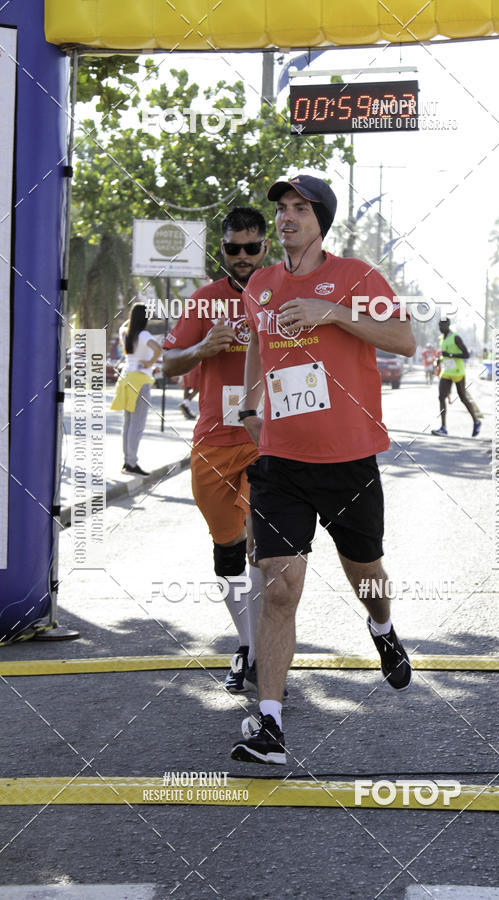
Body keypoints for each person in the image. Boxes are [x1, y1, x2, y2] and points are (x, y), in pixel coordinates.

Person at [229, 174, 416, 766]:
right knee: (279, 589)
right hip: (280, 461)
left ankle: (382, 630)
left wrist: (330, 311)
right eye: (281, 209)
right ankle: (270, 725)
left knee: (367, 575)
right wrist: (250, 403)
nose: (287, 217)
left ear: (321, 220)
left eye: (299, 209)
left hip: (347, 461)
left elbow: (405, 337)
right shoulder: (260, 282)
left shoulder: (358, 276)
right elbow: (259, 342)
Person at [162, 207, 269, 692]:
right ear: (222, 249)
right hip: (213, 441)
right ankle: (247, 645)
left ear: (264, 246)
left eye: (251, 247)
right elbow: (165, 366)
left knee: (265, 549)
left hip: (268, 441)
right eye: (233, 249)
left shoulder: (281, 294)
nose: (242, 257)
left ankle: (266, 654)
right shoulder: (203, 302)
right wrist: (202, 349)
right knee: (227, 551)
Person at [111, 303, 161, 475]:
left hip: (125, 378)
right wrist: (149, 363)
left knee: (128, 423)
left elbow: (125, 325)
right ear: (145, 318)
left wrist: (131, 319)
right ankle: (131, 463)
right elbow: (158, 349)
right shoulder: (144, 334)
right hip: (140, 380)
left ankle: (127, 462)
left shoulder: (125, 332)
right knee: (137, 424)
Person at [431, 318, 481, 437]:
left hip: (458, 371)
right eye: (439, 326)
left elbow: (466, 354)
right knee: (441, 397)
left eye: (443, 326)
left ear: (448, 325)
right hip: (447, 371)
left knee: (462, 397)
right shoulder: (441, 338)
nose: (440, 328)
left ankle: (476, 421)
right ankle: (443, 428)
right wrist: (439, 360)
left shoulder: (455, 337)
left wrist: (451, 355)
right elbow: (445, 354)